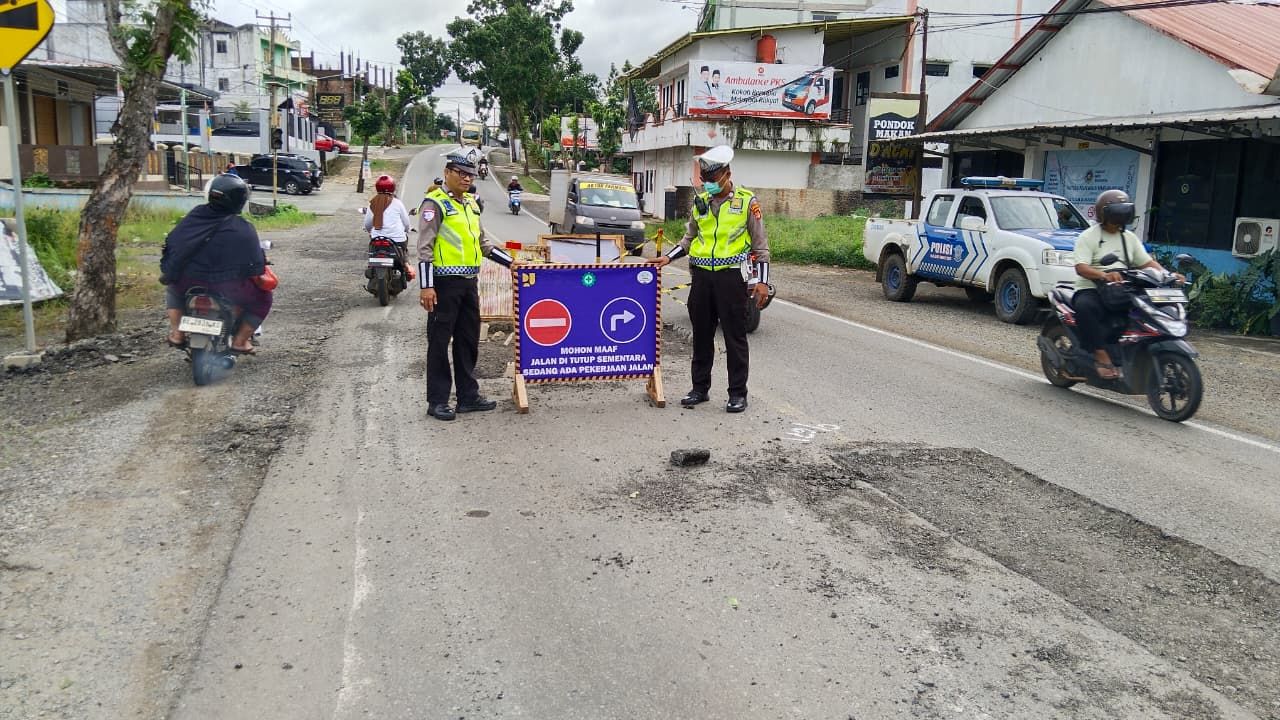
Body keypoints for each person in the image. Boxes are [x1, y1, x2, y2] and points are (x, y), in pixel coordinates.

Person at [654, 145, 770, 413]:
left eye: (713, 178)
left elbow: (760, 246)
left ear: (727, 174)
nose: (708, 184)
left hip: (732, 279)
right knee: (701, 336)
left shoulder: (746, 202)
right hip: (702, 279)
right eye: (704, 179)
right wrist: (668, 258)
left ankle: (738, 394)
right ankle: (699, 389)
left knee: (735, 337)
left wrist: (762, 282)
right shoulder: (700, 202)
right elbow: (689, 238)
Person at [417, 152, 515, 421]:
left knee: (468, 341)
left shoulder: (471, 204)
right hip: (443, 284)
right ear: (447, 172)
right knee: (439, 343)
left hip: (470, 283)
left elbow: (483, 245)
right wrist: (426, 287)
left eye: (469, 174)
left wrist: (512, 264)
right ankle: (437, 401)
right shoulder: (434, 204)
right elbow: (424, 249)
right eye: (460, 172)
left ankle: (468, 397)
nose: (466, 178)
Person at [1071, 189, 1183, 379]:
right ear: (1104, 215)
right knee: (1086, 307)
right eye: (1116, 214)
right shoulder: (1088, 236)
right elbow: (1081, 267)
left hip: (1123, 286)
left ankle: (1131, 352)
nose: (1120, 218)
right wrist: (1103, 275)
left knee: (1143, 312)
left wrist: (1167, 275)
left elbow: (1146, 262)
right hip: (1091, 287)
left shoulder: (1129, 238)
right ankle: (1100, 353)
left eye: (1123, 214)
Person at [161, 173, 271, 354]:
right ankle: (240, 341)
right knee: (263, 299)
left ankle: (177, 334)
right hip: (228, 288)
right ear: (240, 200)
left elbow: (173, 244)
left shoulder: (194, 216)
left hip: (189, 282)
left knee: (173, 290)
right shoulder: (244, 227)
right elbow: (256, 266)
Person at [363, 174, 414, 281]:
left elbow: (367, 224)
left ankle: (371, 266)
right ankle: (406, 265)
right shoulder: (397, 203)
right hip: (397, 240)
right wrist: (407, 229)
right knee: (404, 250)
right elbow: (406, 222)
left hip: (377, 239)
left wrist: (370, 232)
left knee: (371, 251)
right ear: (393, 187)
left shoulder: (372, 203)